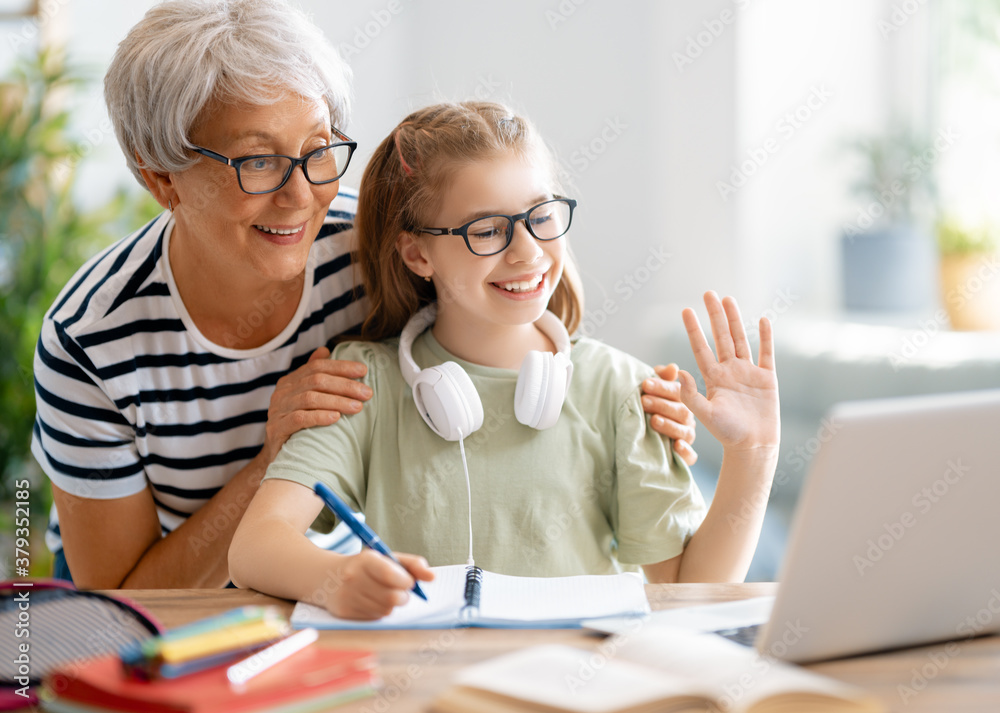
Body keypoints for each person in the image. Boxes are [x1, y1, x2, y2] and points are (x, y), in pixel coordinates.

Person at [30, 0, 696, 590]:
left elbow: (516, 302)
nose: (301, 196)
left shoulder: (374, 244)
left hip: (344, 599)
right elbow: (122, 597)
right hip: (179, 609)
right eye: (258, 161)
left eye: (319, 148)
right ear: (162, 179)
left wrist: (636, 412)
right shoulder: (88, 341)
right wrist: (271, 459)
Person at [229, 102, 780, 621]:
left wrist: (752, 453)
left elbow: (691, 591)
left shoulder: (621, 391)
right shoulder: (363, 384)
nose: (527, 252)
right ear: (418, 253)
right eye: (487, 230)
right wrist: (334, 577)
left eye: (540, 215)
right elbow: (254, 547)